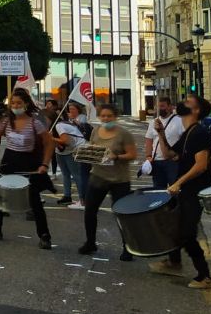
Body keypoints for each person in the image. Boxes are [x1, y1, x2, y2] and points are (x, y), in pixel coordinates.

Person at [149, 97, 211, 288]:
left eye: (187, 102)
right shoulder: (188, 133)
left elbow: (201, 165)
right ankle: (174, 262)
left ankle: (204, 276)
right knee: (174, 226)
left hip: (196, 191)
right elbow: (170, 154)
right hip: (186, 190)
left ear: (195, 111)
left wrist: (178, 182)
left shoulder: (199, 133)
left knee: (187, 233)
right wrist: (160, 134)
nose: (182, 103)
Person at [0, 88, 56, 249]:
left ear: (26, 104)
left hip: (28, 162)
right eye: (13, 103)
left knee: (34, 199)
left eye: (19, 103)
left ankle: (44, 236)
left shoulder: (35, 122)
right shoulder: (6, 121)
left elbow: (50, 143)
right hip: (9, 159)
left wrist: (45, 164)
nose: (15, 106)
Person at [79, 103, 136, 260]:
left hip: (119, 180)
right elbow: (92, 148)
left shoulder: (124, 134)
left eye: (109, 116)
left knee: (122, 214)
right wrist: (85, 154)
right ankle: (90, 242)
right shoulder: (96, 131)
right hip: (98, 177)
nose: (106, 118)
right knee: (90, 211)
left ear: (115, 117)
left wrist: (117, 156)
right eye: (103, 116)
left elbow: (132, 154)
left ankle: (128, 248)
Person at [54, 101, 90, 208]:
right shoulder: (56, 124)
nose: (71, 111)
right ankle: (67, 196)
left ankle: (82, 199)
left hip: (73, 150)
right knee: (65, 174)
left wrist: (51, 138)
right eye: (69, 109)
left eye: (73, 109)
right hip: (61, 151)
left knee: (76, 175)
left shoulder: (63, 124)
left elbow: (67, 140)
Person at [144, 96, 183, 192]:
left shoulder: (179, 121)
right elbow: (149, 139)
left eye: (162, 106)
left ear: (170, 107)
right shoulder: (154, 122)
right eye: (158, 107)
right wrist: (149, 156)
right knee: (158, 190)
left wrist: (179, 155)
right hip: (157, 161)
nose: (160, 109)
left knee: (174, 189)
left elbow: (184, 139)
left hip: (172, 162)